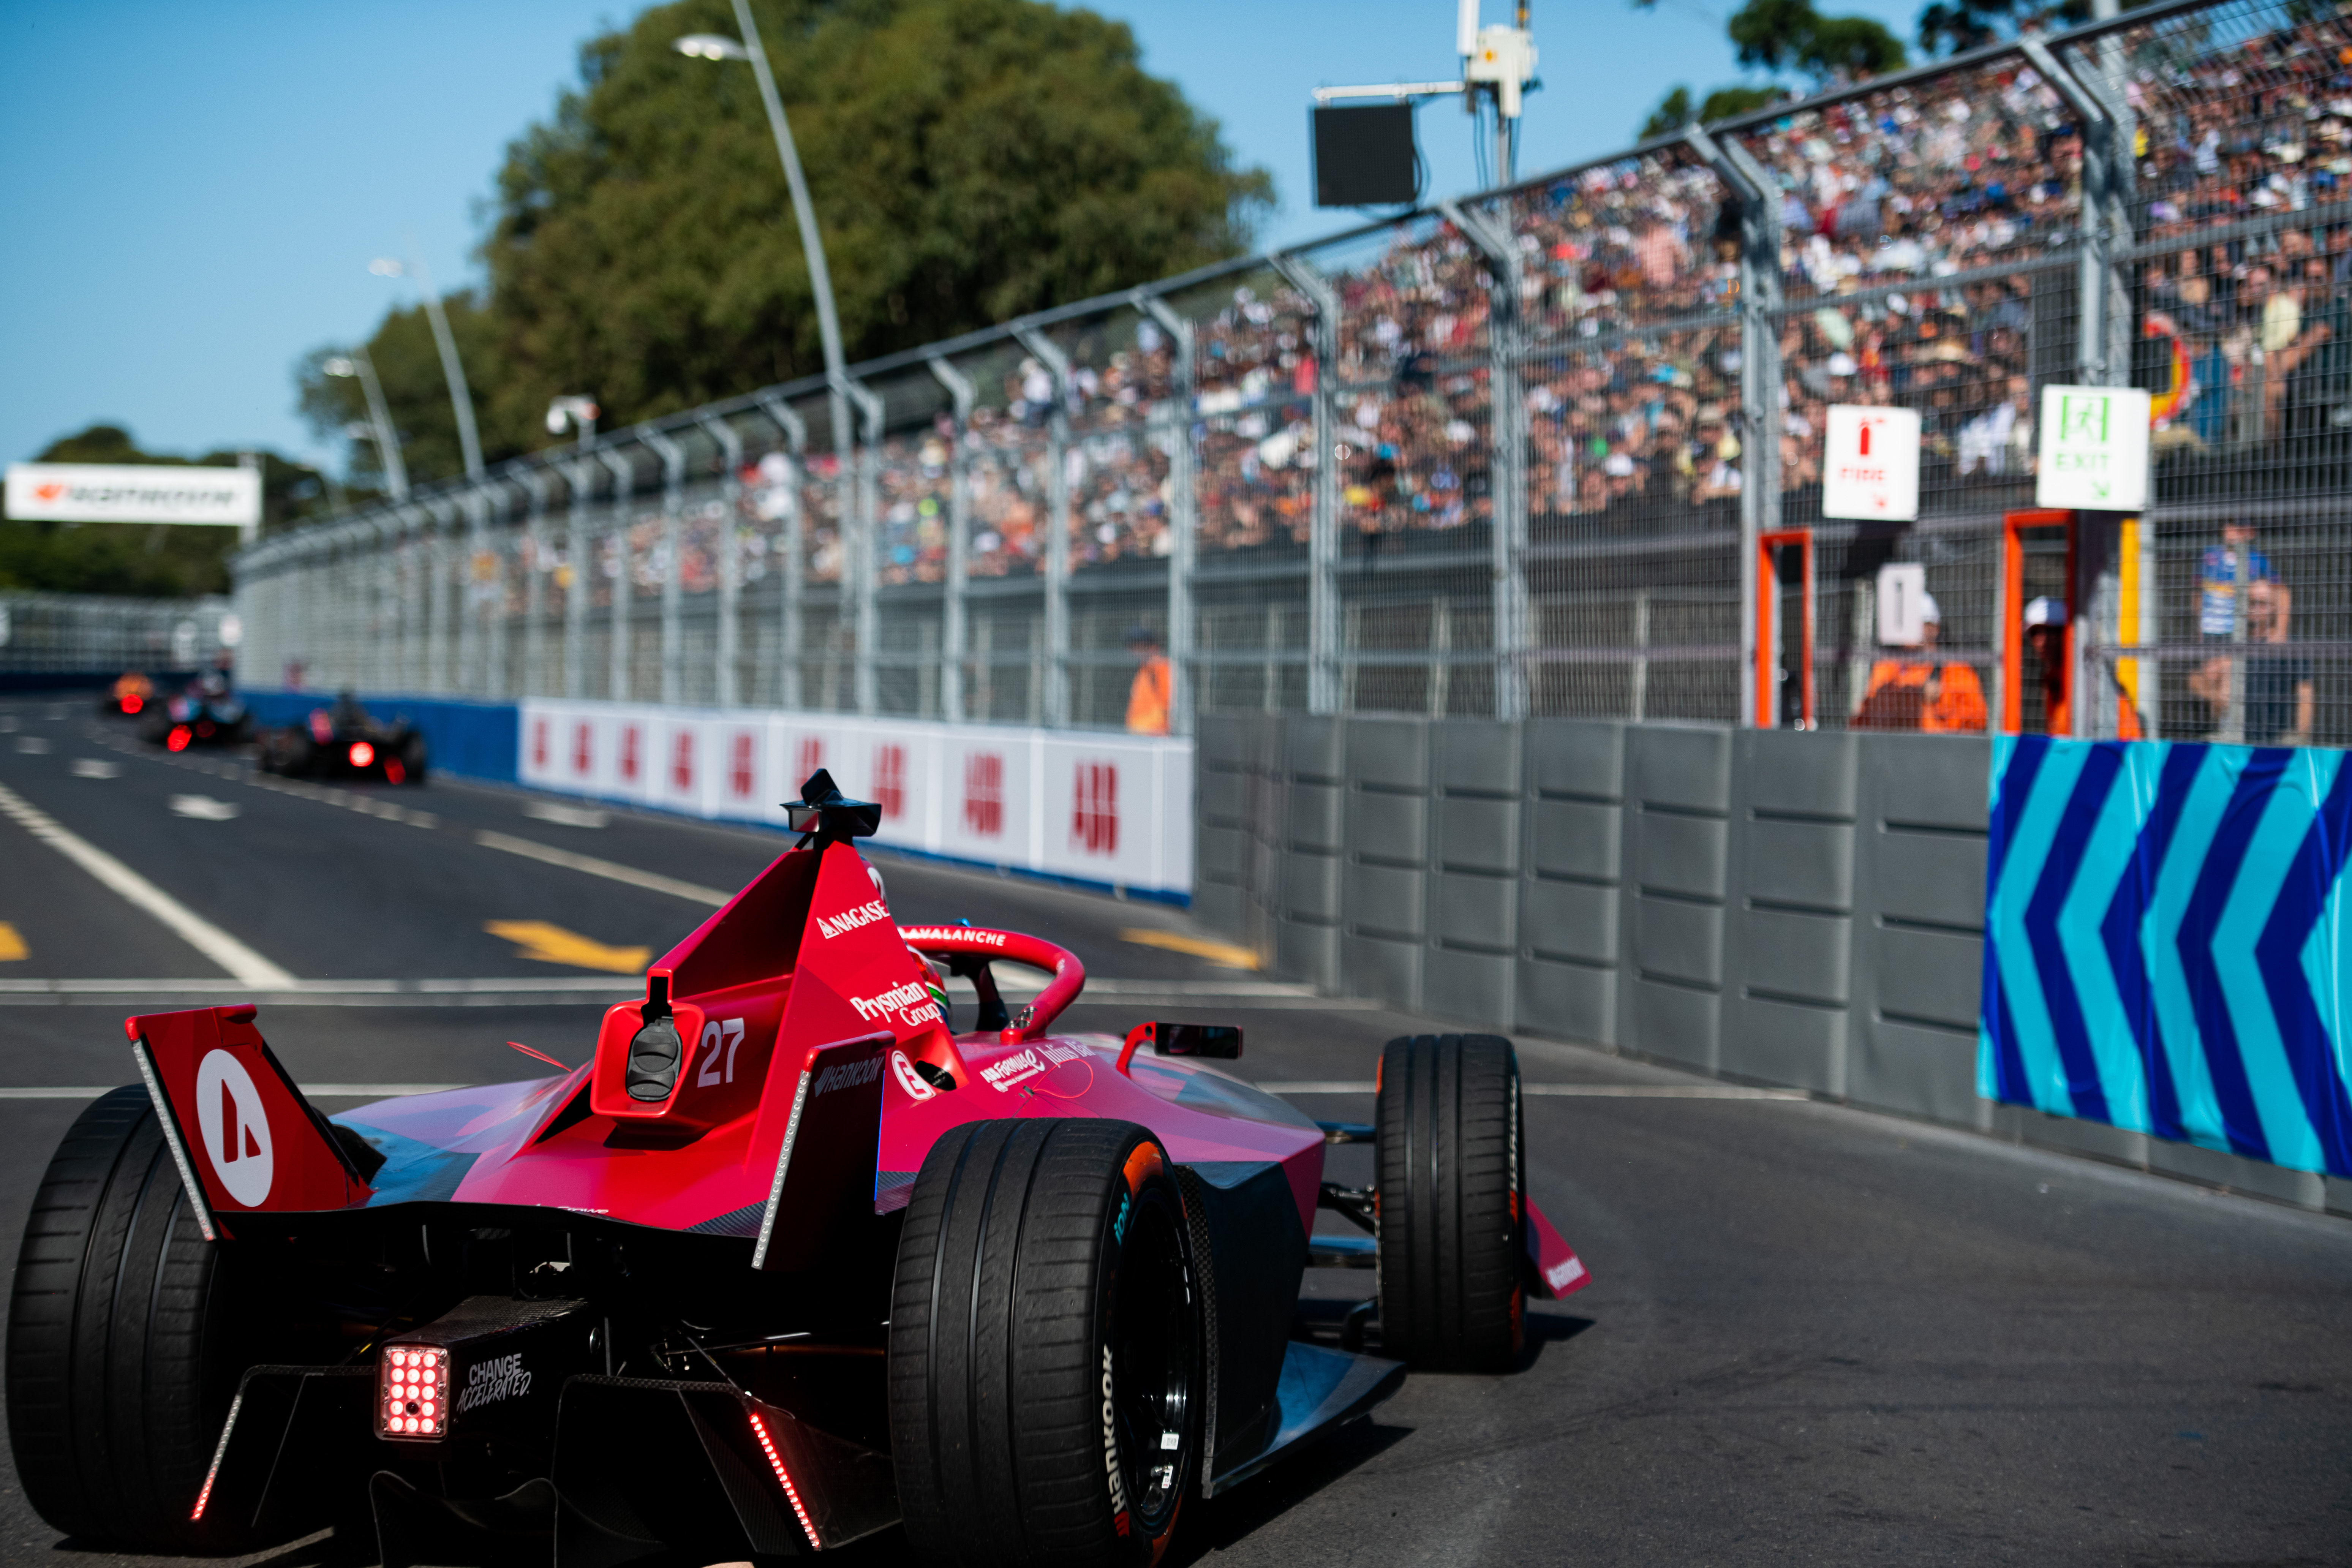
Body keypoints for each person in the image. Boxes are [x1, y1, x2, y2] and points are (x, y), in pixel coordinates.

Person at [1854, 593, 1987, 732]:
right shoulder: (1886, 668)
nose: (1909, 632)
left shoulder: (1956, 670)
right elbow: (1864, 718)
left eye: (1917, 624)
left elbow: (1976, 722)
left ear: (1934, 629)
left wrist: (1937, 701)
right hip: (1888, 749)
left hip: (1935, 749)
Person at [2023, 596, 2143, 740]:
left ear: (2067, 633)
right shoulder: (2051, 678)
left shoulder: (2090, 675)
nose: (2042, 640)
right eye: (2035, 633)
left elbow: (2129, 733)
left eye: (2051, 632)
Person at [1124, 625, 1171, 736]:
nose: (1132, 651)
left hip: (1154, 736)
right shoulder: (1145, 668)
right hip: (1141, 737)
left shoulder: (1161, 667)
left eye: (1134, 646)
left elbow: (1167, 705)